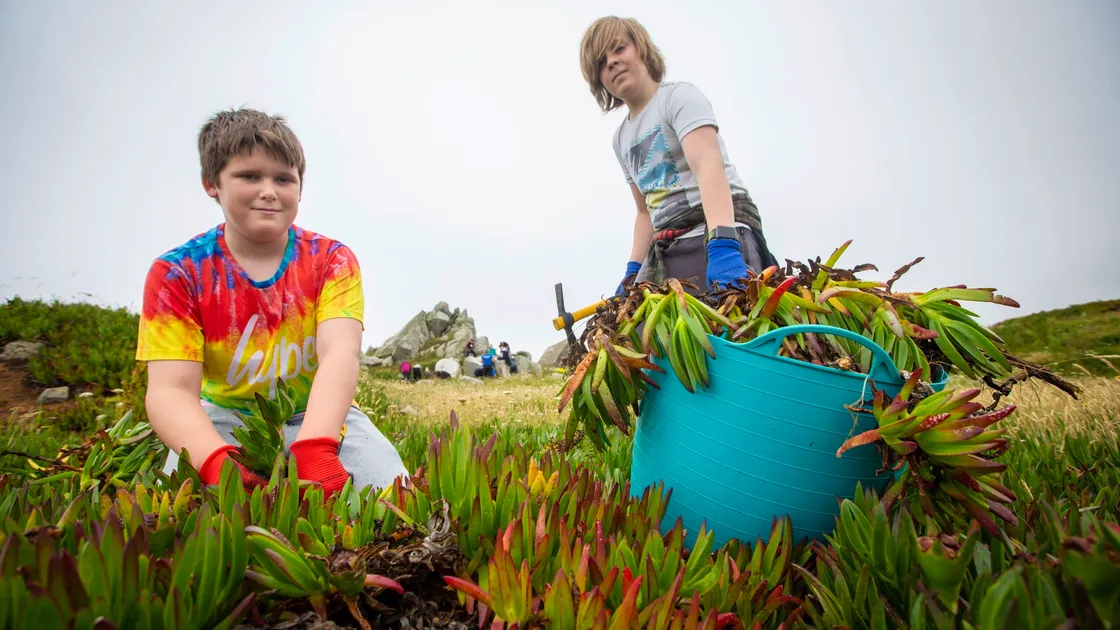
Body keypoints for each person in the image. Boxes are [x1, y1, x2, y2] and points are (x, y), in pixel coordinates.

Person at [136, 107, 409, 497]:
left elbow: (339, 355)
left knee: (395, 497)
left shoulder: (333, 260)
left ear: (300, 187)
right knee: (188, 518)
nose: (269, 190)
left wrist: (315, 447)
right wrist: (214, 462)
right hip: (222, 421)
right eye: (250, 176)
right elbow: (170, 392)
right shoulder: (176, 274)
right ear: (212, 183)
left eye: (284, 178)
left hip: (318, 416)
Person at [579, 17, 779, 298]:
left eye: (619, 49)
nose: (611, 62)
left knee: (725, 323)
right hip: (668, 244)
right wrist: (633, 271)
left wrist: (723, 245)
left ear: (641, 49)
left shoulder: (677, 98)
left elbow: (708, 166)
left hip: (715, 228)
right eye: (601, 62)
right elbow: (644, 211)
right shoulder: (621, 138)